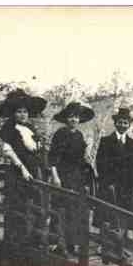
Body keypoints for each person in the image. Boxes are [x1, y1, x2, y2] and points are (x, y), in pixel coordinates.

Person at [0, 89, 47, 245]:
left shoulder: (30, 129)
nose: (22, 115)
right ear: (14, 113)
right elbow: (8, 151)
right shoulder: (10, 129)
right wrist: (22, 169)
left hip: (34, 168)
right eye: (19, 112)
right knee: (19, 205)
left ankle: (34, 238)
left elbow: (37, 149)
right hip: (18, 171)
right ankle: (17, 239)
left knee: (35, 203)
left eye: (25, 112)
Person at [48, 101, 96, 253]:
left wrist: (87, 158)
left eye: (76, 117)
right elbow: (53, 157)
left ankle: (71, 243)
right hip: (62, 174)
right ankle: (54, 243)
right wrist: (55, 176)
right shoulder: (60, 134)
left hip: (76, 177)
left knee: (75, 210)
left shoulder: (80, 135)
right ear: (66, 119)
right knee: (59, 208)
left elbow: (81, 159)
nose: (74, 120)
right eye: (71, 117)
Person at [95, 107, 133, 229]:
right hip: (110, 186)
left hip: (128, 187)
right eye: (120, 122)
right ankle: (105, 245)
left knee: (125, 218)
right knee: (108, 217)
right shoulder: (105, 141)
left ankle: (122, 244)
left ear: (129, 125)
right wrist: (107, 182)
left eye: (125, 123)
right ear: (115, 123)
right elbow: (100, 163)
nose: (122, 125)